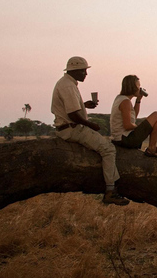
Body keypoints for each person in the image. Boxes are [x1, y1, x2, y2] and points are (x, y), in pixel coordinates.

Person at [51, 56, 130, 205]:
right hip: (71, 129)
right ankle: (110, 190)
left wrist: (84, 105)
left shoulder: (66, 83)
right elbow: (73, 115)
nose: (85, 74)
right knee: (108, 149)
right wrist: (89, 124)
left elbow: (70, 108)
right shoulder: (68, 86)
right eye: (83, 71)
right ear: (75, 71)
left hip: (66, 127)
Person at [110, 75, 157, 158]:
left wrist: (138, 100)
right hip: (125, 138)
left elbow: (133, 117)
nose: (140, 89)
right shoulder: (125, 102)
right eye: (138, 86)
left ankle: (151, 148)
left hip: (120, 138)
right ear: (132, 87)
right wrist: (139, 127)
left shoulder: (120, 98)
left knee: (154, 117)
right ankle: (152, 148)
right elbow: (127, 125)